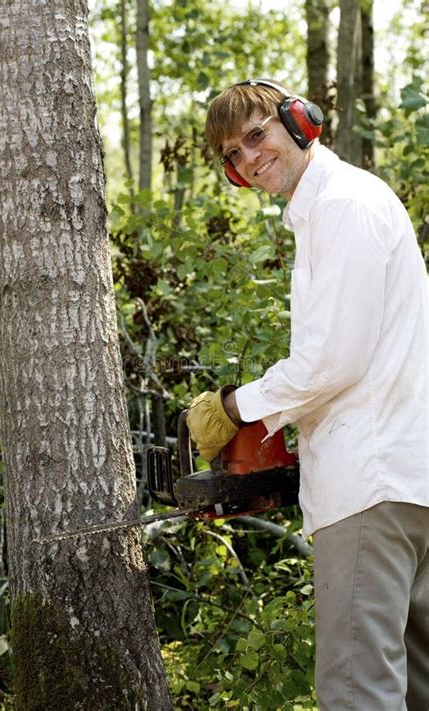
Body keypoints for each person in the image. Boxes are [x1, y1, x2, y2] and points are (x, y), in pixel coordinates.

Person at [186, 79, 428, 711]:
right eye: (232, 154)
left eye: (256, 134)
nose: (248, 157)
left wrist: (234, 408)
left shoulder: (341, 205)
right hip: (407, 479)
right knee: (414, 686)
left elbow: (330, 362)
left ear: (299, 121)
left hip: (370, 487)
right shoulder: (344, 202)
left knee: (357, 692)